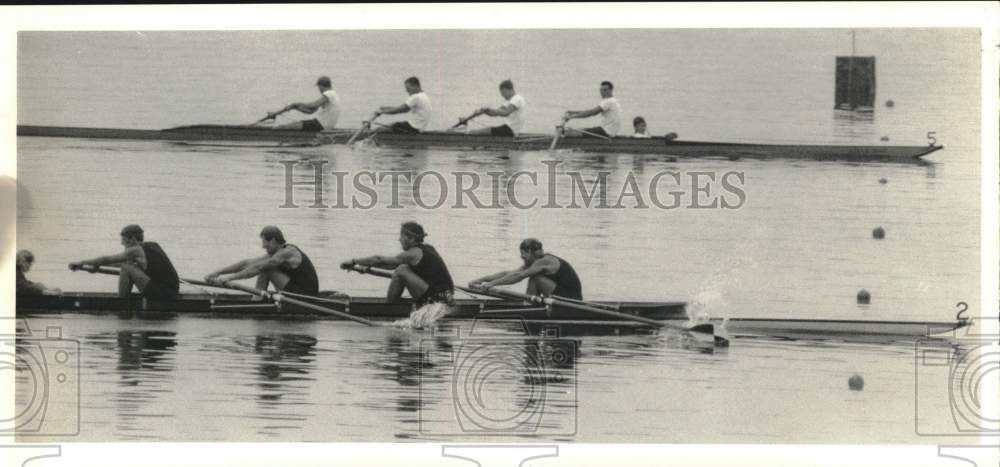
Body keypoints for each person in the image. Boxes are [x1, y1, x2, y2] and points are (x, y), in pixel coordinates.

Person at [341, 221, 454, 306]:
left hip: (437, 300)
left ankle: (390, 308)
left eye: (401, 236)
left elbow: (380, 260)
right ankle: (397, 305)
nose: (399, 239)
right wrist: (366, 267)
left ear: (411, 238)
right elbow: (389, 265)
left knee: (401, 271)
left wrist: (353, 261)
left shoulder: (412, 254)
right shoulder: (427, 248)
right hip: (445, 296)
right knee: (402, 268)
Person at [69, 224, 179, 299]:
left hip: (164, 293)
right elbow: (118, 263)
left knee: (126, 266)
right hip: (169, 291)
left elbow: (107, 259)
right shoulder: (151, 245)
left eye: (124, 240)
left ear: (133, 239)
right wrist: (97, 265)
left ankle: (122, 301)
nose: (122, 243)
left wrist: (82, 262)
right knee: (127, 265)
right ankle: (124, 299)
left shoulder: (136, 250)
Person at [205, 226, 319, 296]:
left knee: (266, 269)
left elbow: (258, 268)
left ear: (273, 240)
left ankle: (257, 302)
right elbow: (246, 263)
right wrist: (217, 273)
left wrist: (229, 278)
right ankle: (257, 301)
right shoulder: (276, 253)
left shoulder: (288, 252)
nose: (263, 246)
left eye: (265, 242)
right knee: (263, 267)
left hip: (307, 295)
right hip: (295, 289)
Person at [468, 238, 583, 300]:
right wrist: (480, 280)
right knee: (533, 277)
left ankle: (530, 308)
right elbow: (509, 273)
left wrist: (490, 285)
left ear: (529, 252)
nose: (521, 257)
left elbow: (518, 277)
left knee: (536, 279)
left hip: (572, 299)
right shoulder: (534, 261)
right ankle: (530, 304)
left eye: (523, 253)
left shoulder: (544, 261)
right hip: (561, 295)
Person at [265, 76, 341, 131]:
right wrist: (295, 107)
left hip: (319, 125)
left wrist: (297, 103)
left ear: (321, 86)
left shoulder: (329, 94)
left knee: (284, 127)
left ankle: (272, 133)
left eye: (318, 87)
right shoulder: (334, 95)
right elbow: (311, 111)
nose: (319, 90)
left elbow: (314, 105)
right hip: (325, 126)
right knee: (293, 125)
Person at [460, 79, 526, 136]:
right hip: (509, 129)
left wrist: (488, 109)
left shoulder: (517, 99)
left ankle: (467, 135)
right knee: (482, 131)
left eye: (503, 93)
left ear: (506, 89)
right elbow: (495, 113)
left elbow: (505, 113)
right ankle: (470, 133)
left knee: (478, 132)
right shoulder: (510, 101)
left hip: (511, 130)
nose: (502, 95)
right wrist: (482, 112)